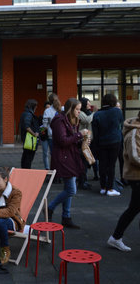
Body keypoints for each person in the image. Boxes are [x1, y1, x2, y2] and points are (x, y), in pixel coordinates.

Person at [48, 98, 89, 229]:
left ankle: (66, 216)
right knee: (71, 189)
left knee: (68, 189)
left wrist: (83, 140)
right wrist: (79, 135)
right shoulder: (60, 120)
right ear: (71, 109)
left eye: (80, 109)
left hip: (70, 157)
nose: (79, 112)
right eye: (77, 109)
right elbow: (63, 141)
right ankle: (50, 208)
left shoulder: (72, 120)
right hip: (63, 158)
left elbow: (70, 141)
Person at [107, 111, 140, 252]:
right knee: (134, 208)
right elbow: (135, 156)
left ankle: (115, 237)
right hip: (136, 176)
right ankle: (115, 237)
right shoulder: (135, 132)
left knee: (134, 208)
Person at [92, 93, 124, 196]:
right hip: (115, 141)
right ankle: (110, 188)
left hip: (101, 142)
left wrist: (96, 144)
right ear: (114, 101)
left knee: (102, 164)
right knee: (112, 165)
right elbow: (120, 125)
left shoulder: (97, 114)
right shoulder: (118, 112)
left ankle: (103, 187)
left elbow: (95, 133)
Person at [78, 97, 95, 190]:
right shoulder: (81, 113)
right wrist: (94, 112)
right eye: (88, 104)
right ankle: (82, 181)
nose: (90, 105)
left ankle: (84, 180)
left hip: (88, 139)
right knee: (83, 161)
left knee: (87, 161)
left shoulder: (87, 113)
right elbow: (87, 120)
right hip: (82, 140)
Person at [42, 93, 62, 170]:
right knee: (59, 154)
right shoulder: (62, 109)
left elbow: (44, 125)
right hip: (61, 135)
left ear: (49, 101)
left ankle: (50, 170)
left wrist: (43, 132)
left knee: (51, 154)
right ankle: (59, 170)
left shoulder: (48, 111)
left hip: (51, 135)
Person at [20, 99, 39, 169]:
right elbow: (27, 127)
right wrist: (34, 134)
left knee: (25, 156)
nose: (36, 108)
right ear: (33, 106)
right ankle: (26, 171)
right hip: (30, 140)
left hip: (26, 139)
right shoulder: (29, 114)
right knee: (28, 158)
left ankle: (24, 170)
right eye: (36, 106)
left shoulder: (25, 113)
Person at [39, 101, 51, 170]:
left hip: (51, 136)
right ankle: (47, 168)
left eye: (49, 108)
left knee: (52, 153)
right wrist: (44, 128)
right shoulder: (41, 117)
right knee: (45, 153)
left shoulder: (53, 116)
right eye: (46, 107)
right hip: (44, 137)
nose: (47, 109)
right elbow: (40, 128)